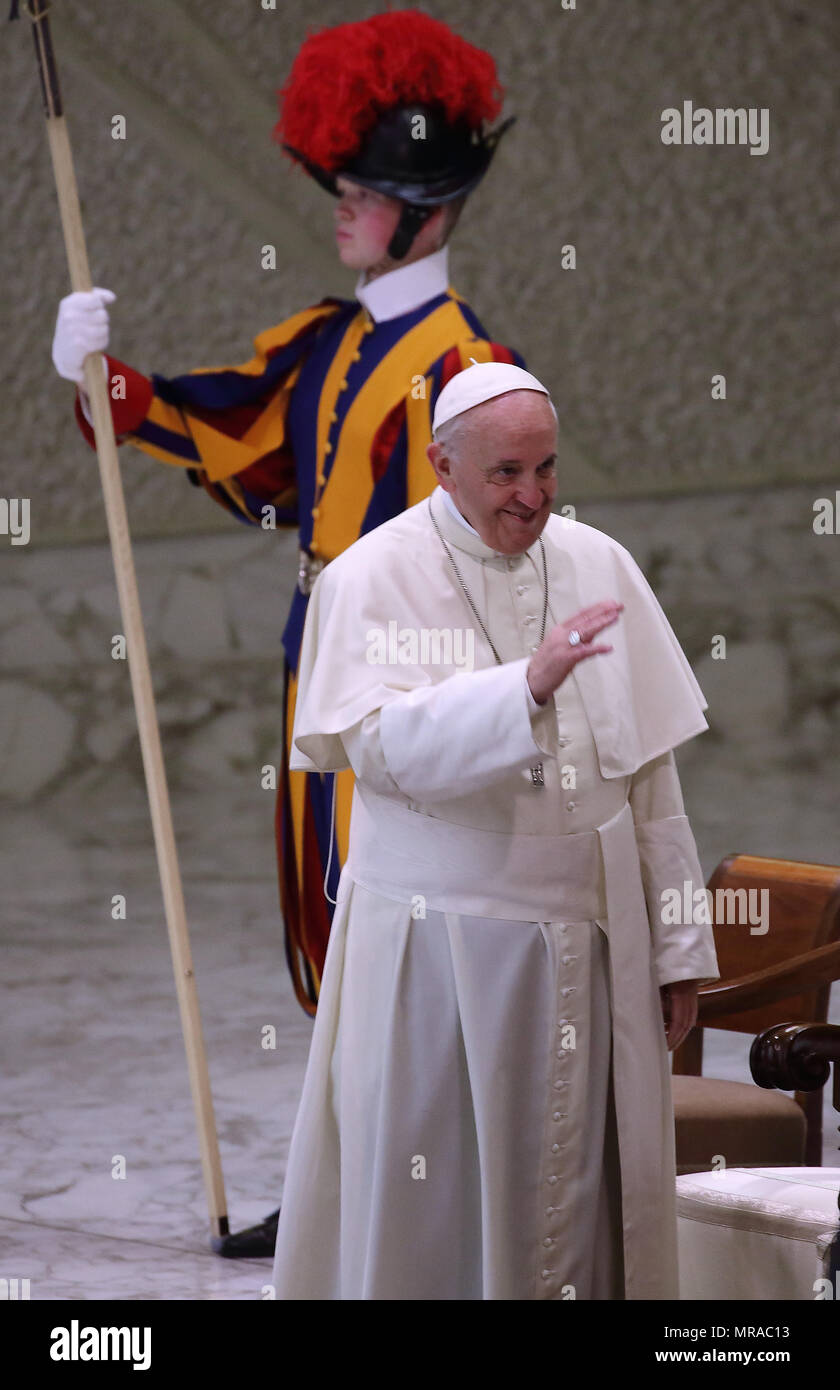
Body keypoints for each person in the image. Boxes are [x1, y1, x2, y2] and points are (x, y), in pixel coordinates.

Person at [50, 11, 522, 1256]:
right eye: (342, 184)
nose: (341, 207)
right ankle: (350, 1184)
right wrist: (106, 383)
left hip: (415, 686)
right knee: (329, 922)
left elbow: (501, 550)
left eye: (363, 192)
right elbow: (246, 443)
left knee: (405, 935)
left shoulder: (467, 367)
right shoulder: (334, 341)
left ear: (425, 211)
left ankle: (422, 1192)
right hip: (322, 660)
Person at [270, 361, 720, 1300]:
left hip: (594, 946)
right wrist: (523, 686)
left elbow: (650, 780)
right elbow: (380, 748)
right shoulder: (371, 577)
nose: (534, 496)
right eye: (507, 473)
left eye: (547, 469)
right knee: (445, 1204)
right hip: (445, 956)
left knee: (584, 1200)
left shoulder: (599, 562)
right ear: (442, 463)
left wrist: (679, 946)